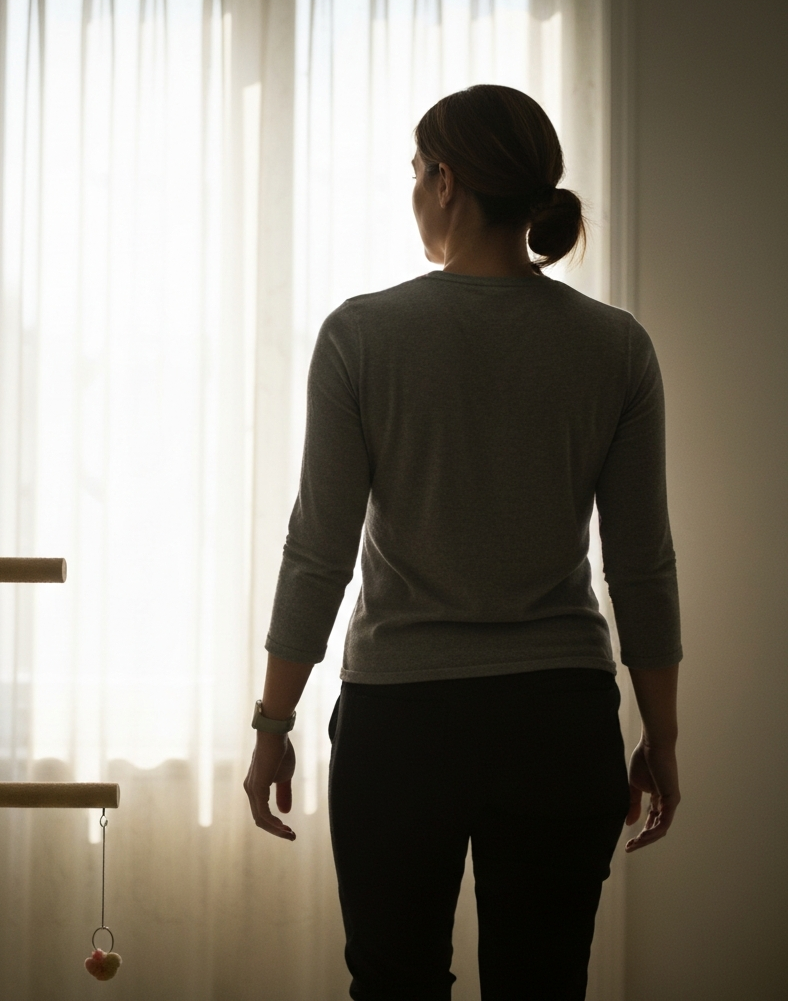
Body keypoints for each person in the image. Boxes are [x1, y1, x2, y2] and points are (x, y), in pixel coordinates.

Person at [242, 84, 681, 1000]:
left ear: (445, 182)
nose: (413, 192)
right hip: (561, 723)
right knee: (543, 985)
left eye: (415, 173)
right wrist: (662, 735)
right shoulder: (617, 348)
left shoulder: (362, 337)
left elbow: (317, 549)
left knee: (396, 988)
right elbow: (640, 564)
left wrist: (275, 722)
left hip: (403, 727)